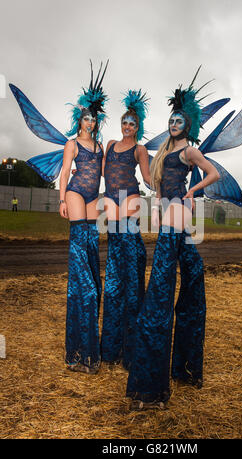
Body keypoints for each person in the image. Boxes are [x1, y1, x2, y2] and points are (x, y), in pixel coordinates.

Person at [126, 70, 220, 409]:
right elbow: (160, 185)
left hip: (181, 219)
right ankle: (151, 388)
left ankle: (185, 369)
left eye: (179, 118)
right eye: (171, 118)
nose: (174, 122)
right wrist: (158, 209)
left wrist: (193, 191)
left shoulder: (190, 152)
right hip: (170, 222)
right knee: (162, 296)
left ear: (188, 123)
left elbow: (214, 173)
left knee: (194, 280)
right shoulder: (165, 152)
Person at [59, 61, 108, 374]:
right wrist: (62, 198)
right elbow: (65, 172)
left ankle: (89, 344)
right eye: (86, 117)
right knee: (81, 269)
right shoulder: (72, 144)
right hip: (76, 194)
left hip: (94, 198)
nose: (89, 121)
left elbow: (106, 173)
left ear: (96, 120)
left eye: (94, 118)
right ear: (80, 119)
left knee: (93, 255)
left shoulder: (100, 145)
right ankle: (77, 352)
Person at [101, 89, 151, 369]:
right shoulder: (109, 144)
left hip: (130, 195)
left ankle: (132, 346)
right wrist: (79, 169)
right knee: (115, 257)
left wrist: (172, 179)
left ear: (137, 127)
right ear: (120, 125)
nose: (128, 127)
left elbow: (146, 177)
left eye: (132, 124)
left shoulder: (139, 149)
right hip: (111, 198)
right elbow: (103, 172)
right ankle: (111, 347)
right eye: (125, 122)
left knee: (130, 249)